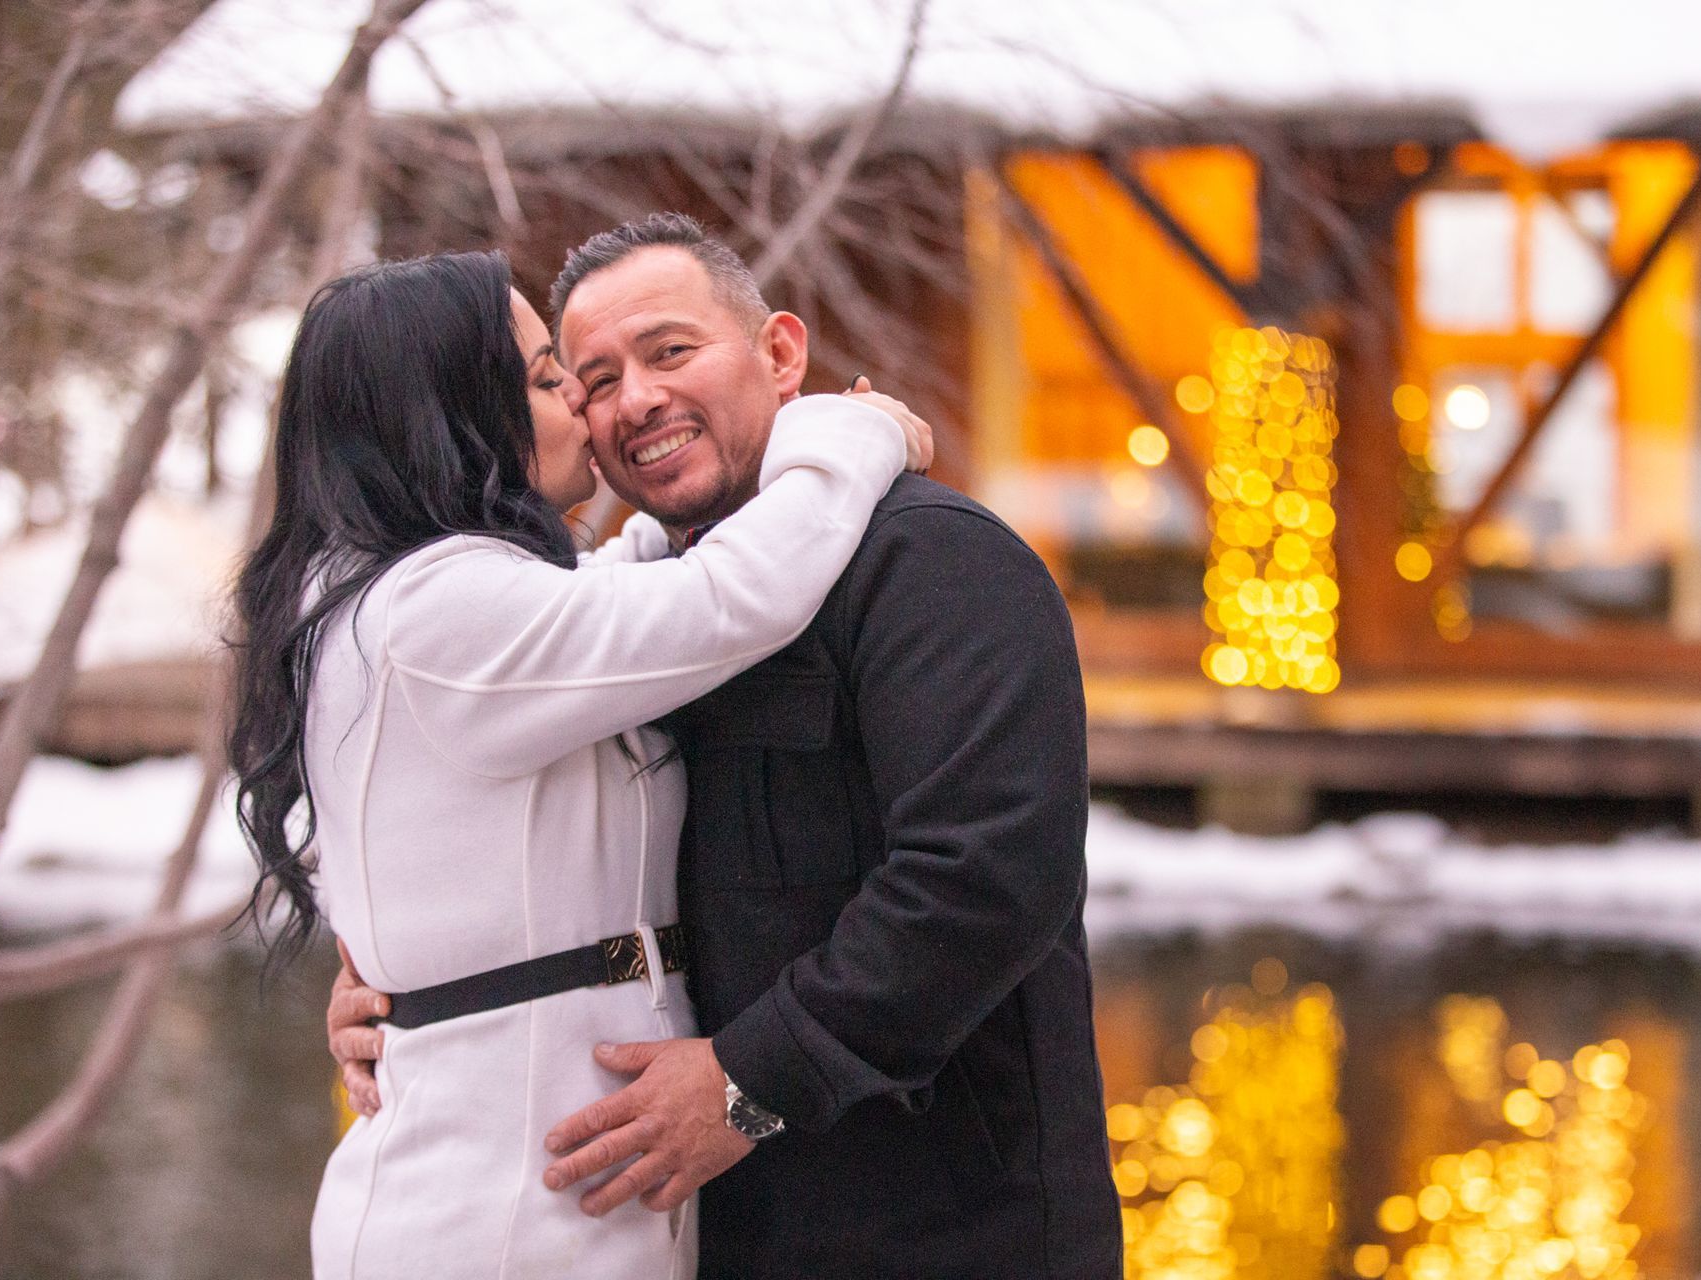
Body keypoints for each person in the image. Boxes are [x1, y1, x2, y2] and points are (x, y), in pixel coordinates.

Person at [333, 215, 1124, 1277]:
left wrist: (746, 1081)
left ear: (782, 353)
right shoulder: (637, 618)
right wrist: (398, 987)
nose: (637, 400)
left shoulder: (934, 563)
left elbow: (984, 879)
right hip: (722, 1231)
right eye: (594, 378)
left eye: (671, 352)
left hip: (949, 1226)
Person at [228, 247, 931, 1278]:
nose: (587, 406)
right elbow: (726, 600)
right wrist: (848, 433)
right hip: (498, 1214)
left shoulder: (440, 599)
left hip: (559, 1190)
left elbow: (619, 601)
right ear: (454, 408)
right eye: (553, 377)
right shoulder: (433, 611)